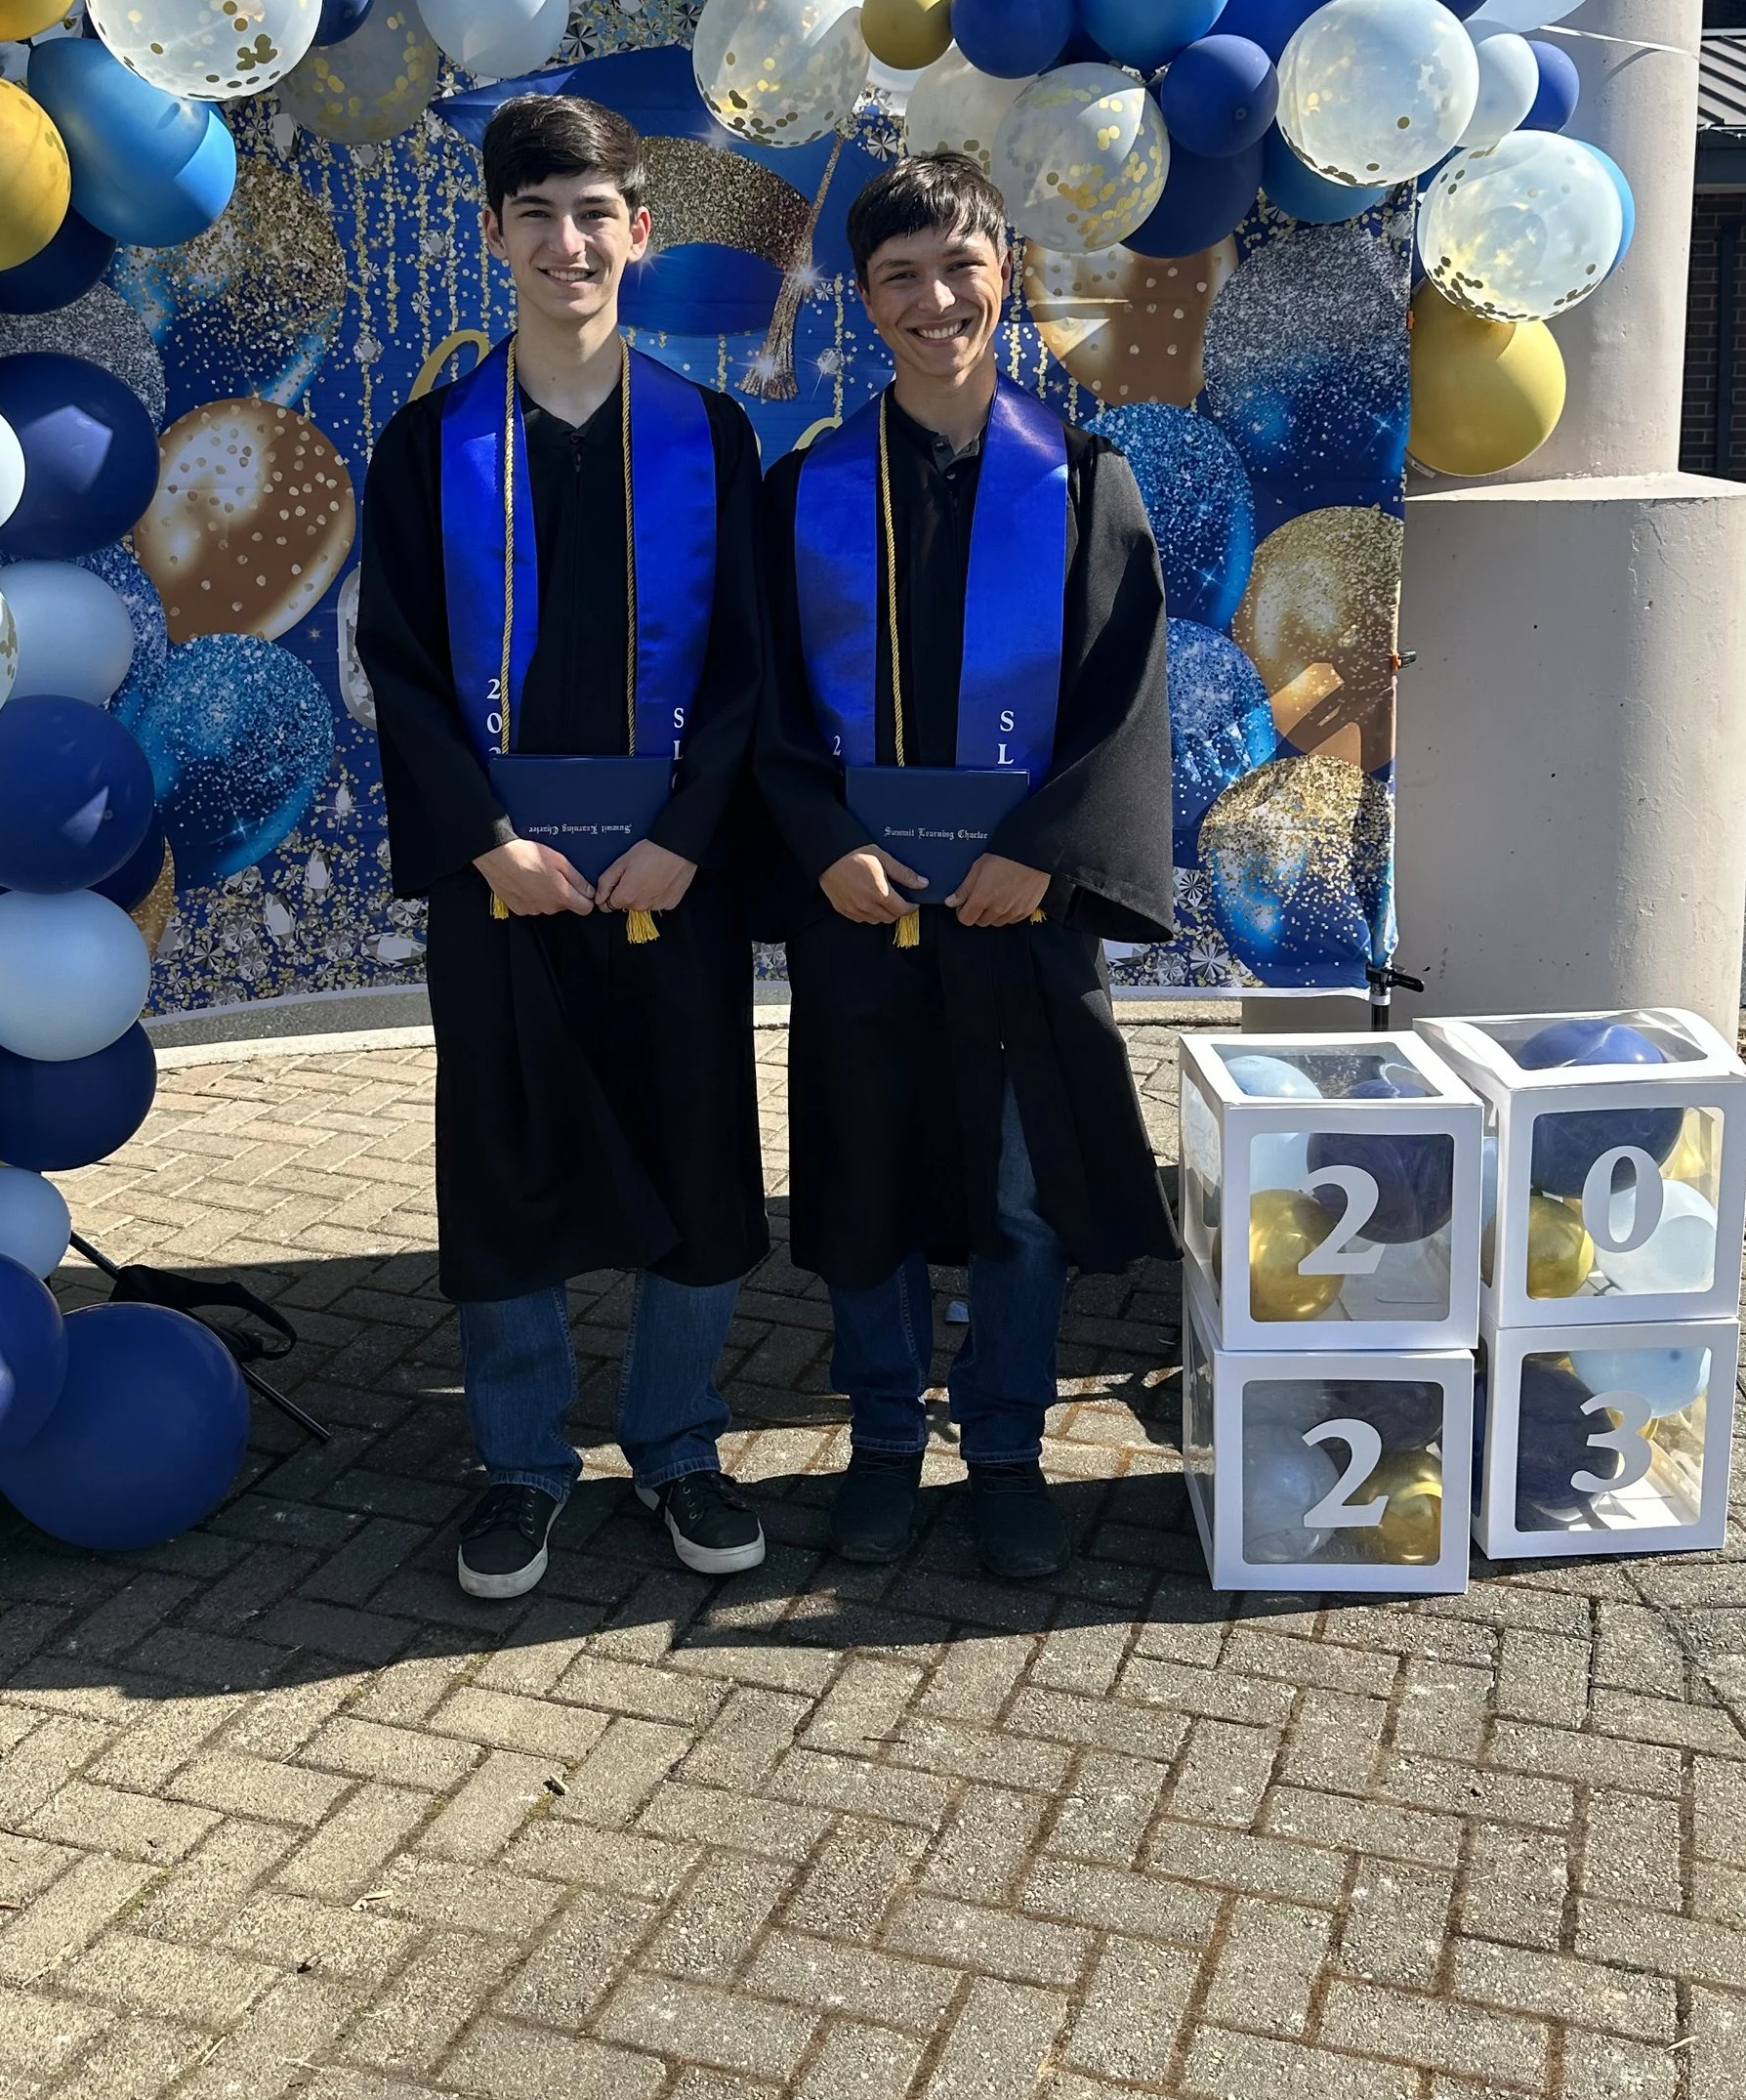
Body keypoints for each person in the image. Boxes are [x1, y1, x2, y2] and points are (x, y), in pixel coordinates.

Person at [355, 95, 769, 1599]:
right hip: (505, 885)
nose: (568, 241)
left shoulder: (710, 434)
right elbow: (401, 665)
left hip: (672, 879)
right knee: (505, 1157)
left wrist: (688, 834)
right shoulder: (429, 446)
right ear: (493, 233)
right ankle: (523, 1462)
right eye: (536, 213)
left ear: (640, 232)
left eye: (595, 212)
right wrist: (485, 843)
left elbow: (749, 665)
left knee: (697, 1153)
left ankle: (678, 1443)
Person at [755, 151, 1178, 1582]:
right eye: (900, 276)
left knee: (1018, 1194)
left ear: (1007, 274)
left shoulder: (1084, 482)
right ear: (863, 299)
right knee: (863, 1181)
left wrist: (1045, 859)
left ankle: (1004, 1450)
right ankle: (883, 1442)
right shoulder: (808, 489)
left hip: (1018, 918)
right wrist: (825, 845)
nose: (934, 299)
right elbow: (764, 702)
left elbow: (1124, 696)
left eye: (960, 267)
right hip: (861, 910)